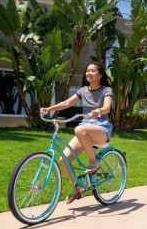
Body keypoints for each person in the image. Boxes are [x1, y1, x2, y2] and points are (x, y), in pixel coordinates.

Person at [40, 62, 113, 204]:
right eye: (87, 71)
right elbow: (66, 103)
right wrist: (49, 108)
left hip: (101, 128)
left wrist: (100, 110)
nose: (88, 73)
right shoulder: (83, 90)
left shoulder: (106, 90)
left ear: (100, 75)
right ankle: (77, 188)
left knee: (79, 129)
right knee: (63, 160)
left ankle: (94, 163)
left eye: (92, 70)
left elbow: (107, 107)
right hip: (85, 128)